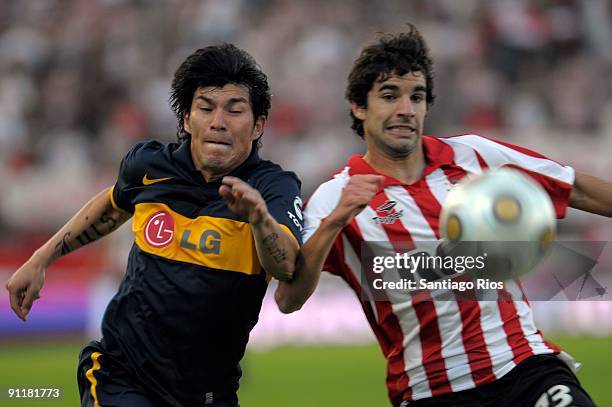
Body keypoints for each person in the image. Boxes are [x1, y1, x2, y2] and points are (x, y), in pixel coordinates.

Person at [276, 25, 612, 406]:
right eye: (389, 96)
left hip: (524, 368)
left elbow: (578, 188)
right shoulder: (334, 197)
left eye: (416, 97)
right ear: (359, 106)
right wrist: (336, 221)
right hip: (431, 390)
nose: (405, 109)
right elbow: (289, 299)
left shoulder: (475, 156)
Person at [5, 44, 304, 407]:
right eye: (206, 107)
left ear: (258, 126)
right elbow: (112, 206)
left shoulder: (274, 188)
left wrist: (259, 219)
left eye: (235, 110)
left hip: (210, 391)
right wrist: (40, 259)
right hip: (123, 374)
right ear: (185, 119)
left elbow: (286, 264)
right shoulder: (148, 166)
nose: (218, 122)